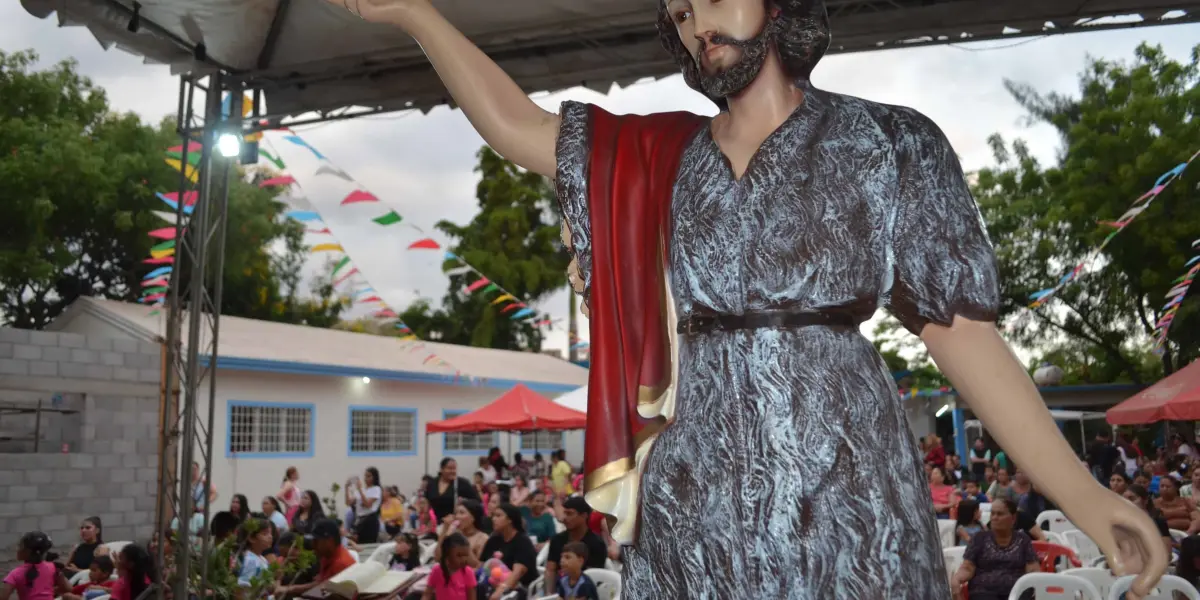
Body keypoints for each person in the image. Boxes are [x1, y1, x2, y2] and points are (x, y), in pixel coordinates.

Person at [327, 0, 1169, 596]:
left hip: (850, 486)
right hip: (693, 496)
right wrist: (417, 12)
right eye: (682, 10)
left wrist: (1085, 495)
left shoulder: (890, 142)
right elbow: (518, 127)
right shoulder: (659, 158)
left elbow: (966, 342)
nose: (698, 24)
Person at [951, 498, 1039, 600]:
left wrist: (1035, 582)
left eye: (1000, 514)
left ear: (1013, 518)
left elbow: (1032, 568)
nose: (994, 517)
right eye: (992, 513)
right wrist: (956, 579)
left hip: (1016, 590)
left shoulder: (1023, 540)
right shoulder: (979, 538)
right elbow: (968, 568)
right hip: (983, 591)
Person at [544, 497, 609, 596]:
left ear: (584, 516)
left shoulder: (596, 544)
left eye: (569, 513)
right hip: (559, 590)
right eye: (564, 513)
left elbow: (592, 577)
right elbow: (550, 569)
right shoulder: (557, 540)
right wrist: (549, 594)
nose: (565, 518)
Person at [479, 505, 538, 599]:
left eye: (498, 516)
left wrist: (499, 592)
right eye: (493, 516)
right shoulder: (493, 540)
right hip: (493, 583)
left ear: (510, 520)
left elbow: (517, 573)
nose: (493, 519)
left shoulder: (522, 541)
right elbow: (482, 566)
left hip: (518, 587)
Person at [0, 532, 69, 600]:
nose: (18, 549)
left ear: (27, 551)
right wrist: (49, 591)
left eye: (20, 546)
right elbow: (68, 588)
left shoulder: (15, 573)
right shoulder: (53, 567)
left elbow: (3, 597)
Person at [421, 534, 476, 600]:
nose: (464, 559)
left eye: (466, 555)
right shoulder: (437, 570)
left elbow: (472, 597)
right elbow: (427, 594)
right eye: (459, 555)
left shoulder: (468, 572)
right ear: (448, 555)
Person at [235, 518, 274, 591]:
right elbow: (243, 587)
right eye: (265, 534)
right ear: (251, 538)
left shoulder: (262, 558)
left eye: (270, 533)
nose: (270, 537)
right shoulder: (250, 560)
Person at [345, 467, 383, 543]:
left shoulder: (376, 489)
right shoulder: (362, 489)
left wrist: (360, 490)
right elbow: (348, 502)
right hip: (360, 519)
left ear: (374, 477)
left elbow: (368, 504)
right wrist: (346, 488)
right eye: (365, 476)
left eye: (369, 476)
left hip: (370, 519)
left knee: (369, 543)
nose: (366, 478)